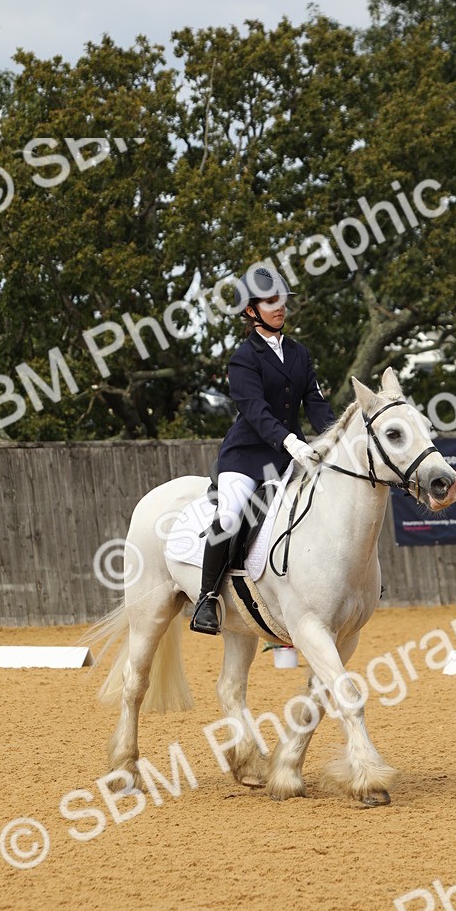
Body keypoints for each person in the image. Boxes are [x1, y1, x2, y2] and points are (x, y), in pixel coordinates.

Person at [190, 266, 337, 635]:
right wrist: (289, 441)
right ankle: (207, 598)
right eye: (271, 301)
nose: (280, 307)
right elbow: (255, 411)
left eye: (282, 300)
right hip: (248, 457)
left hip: (291, 457)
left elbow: (315, 404)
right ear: (251, 310)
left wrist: (337, 437)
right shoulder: (244, 358)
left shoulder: (299, 353)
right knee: (229, 517)